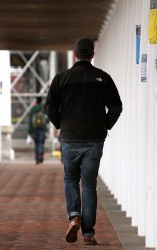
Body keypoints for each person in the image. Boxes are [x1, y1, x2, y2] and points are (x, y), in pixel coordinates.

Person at [45, 38, 122, 245]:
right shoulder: (103, 78)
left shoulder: (61, 78)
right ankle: (88, 234)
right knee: (88, 184)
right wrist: (103, 125)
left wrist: (61, 123)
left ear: (74, 54)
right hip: (94, 140)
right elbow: (116, 107)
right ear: (92, 55)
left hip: (70, 138)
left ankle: (74, 216)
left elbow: (50, 107)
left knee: (71, 178)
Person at [27, 97, 46, 164]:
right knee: (41, 143)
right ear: (41, 101)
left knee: (36, 144)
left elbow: (30, 120)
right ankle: (41, 153)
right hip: (42, 129)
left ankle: (37, 159)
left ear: (36, 101)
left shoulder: (33, 109)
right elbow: (46, 119)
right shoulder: (43, 108)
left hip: (34, 129)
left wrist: (29, 130)